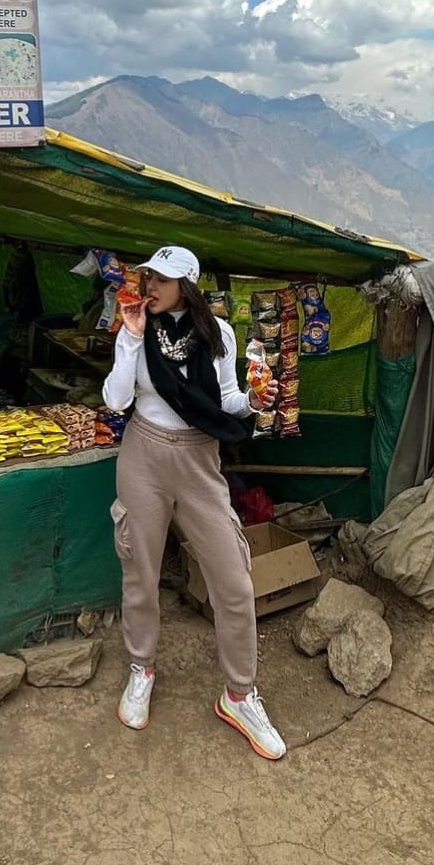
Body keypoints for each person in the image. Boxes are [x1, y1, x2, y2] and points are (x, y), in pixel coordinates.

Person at [102, 245, 285, 760]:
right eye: (147, 278)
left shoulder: (219, 335)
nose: (149, 288)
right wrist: (132, 339)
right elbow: (116, 400)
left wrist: (251, 402)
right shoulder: (136, 330)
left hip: (199, 460)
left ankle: (240, 695)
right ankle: (142, 669)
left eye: (161, 280)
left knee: (233, 578)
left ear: (188, 284)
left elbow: (223, 400)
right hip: (143, 454)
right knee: (140, 567)